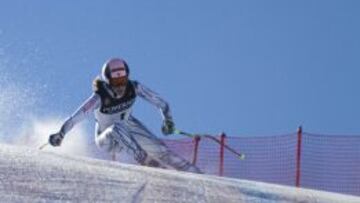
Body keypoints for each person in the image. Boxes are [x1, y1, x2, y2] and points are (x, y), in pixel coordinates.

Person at [48, 57, 202, 173]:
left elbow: (162, 103)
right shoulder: (99, 98)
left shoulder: (134, 88)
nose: (121, 85)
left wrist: (168, 122)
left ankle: (193, 172)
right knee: (116, 127)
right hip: (107, 138)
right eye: (116, 81)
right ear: (108, 81)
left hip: (130, 126)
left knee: (160, 150)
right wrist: (61, 134)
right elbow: (75, 118)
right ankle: (145, 160)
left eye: (123, 79)